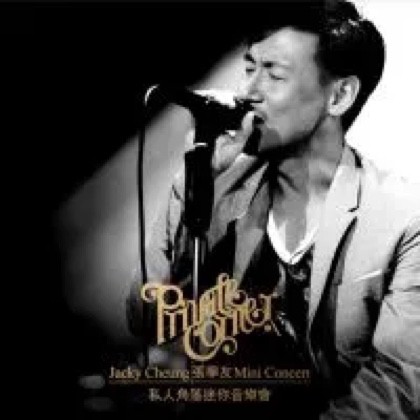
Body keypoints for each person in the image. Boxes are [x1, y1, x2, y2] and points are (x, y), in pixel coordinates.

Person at [127, 1, 420, 418]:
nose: (248, 91)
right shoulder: (220, 188)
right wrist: (194, 182)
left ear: (340, 95)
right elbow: (148, 319)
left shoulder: (404, 218)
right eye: (249, 68)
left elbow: (397, 388)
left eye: (274, 74)